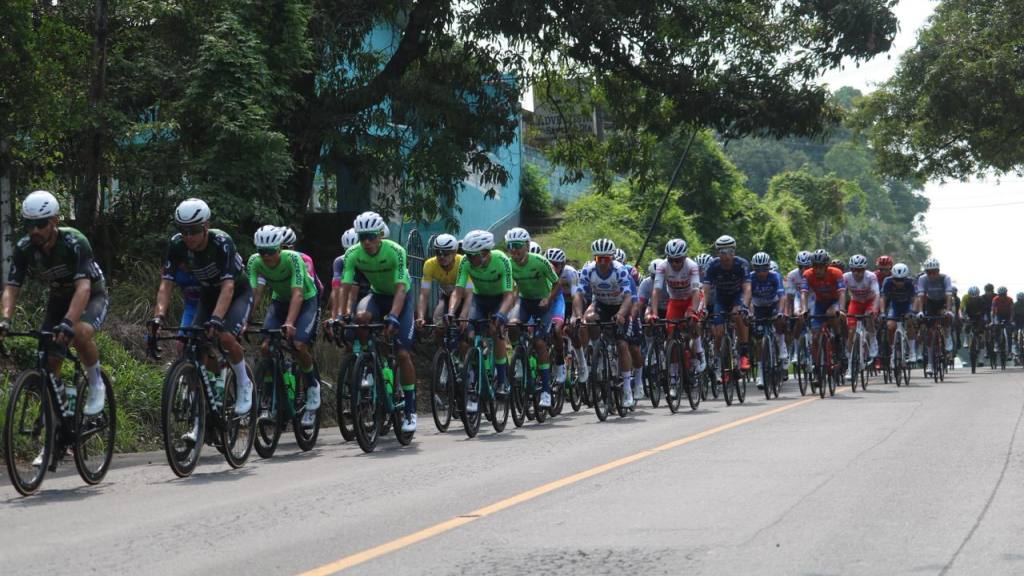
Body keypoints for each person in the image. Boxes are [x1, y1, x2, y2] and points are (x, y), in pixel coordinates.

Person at [0, 190, 110, 418]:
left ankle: (96, 382)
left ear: (54, 221)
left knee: (79, 333)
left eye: (40, 224)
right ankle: (63, 417)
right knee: (50, 359)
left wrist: (68, 322)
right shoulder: (24, 248)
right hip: (60, 298)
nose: (34, 231)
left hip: (91, 295)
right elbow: (12, 288)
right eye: (29, 225)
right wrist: (5, 320)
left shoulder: (74, 241)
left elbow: (84, 288)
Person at [150, 198, 254, 417]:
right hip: (207, 294)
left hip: (237, 293)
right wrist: (158, 317)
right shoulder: (177, 244)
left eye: (193, 230)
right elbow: (166, 284)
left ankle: (244, 383)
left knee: (224, 337)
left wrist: (216, 319)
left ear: (206, 226)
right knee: (189, 343)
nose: (188, 236)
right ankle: (214, 386)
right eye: (183, 230)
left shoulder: (222, 241)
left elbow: (228, 286)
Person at [338, 211, 418, 433]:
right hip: (377, 295)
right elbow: (346, 287)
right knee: (360, 318)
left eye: (371, 236)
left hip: (401, 296)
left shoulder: (396, 251)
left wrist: (393, 315)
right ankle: (368, 364)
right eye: (362, 237)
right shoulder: (353, 253)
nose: (367, 242)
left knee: (402, 353)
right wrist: (343, 313)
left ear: (381, 234)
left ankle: (410, 409)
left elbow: (401, 287)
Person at [247, 226, 321, 427]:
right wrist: (245, 320)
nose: (267, 256)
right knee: (265, 347)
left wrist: (289, 322)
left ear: (279, 248)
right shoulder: (255, 261)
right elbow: (255, 294)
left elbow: (297, 293)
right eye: (262, 252)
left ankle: (313, 387)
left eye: (271, 251)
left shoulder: (294, 258)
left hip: (306, 300)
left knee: (298, 345)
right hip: (279, 301)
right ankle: (270, 399)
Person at [447, 230, 516, 411]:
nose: (469, 258)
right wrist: (451, 311)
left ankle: (502, 380)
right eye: (467, 255)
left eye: (473, 255)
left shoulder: (502, 260)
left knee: (495, 331)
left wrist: (501, 315)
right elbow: (458, 290)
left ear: (485, 253)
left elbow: (509, 295)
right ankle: (472, 380)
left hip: (500, 300)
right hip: (480, 300)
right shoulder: (465, 262)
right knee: (467, 334)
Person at [504, 227, 562, 408]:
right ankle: (519, 359)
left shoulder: (541, 262)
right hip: (525, 302)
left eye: (518, 246)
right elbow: (511, 288)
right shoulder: (508, 264)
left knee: (539, 342)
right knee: (513, 326)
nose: (514, 250)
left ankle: (545, 390)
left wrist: (548, 298)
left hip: (543, 304)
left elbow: (557, 283)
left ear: (527, 246)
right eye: (510, 246)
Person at [575, 238, 635, 406]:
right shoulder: (588, 271)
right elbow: (579, 295)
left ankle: (627, 390)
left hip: (620, 306)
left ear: (612, 258)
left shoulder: (620, 270)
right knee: (589, 320)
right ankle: (598, 352)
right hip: (601, 304)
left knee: (622, 345)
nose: (602, 262)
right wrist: (579, 315)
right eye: (598, 259)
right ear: (594, 259)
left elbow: (629, 296)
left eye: (606, 259)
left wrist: (622, 314)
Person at [649, 239, 705, 389]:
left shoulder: (692, 266)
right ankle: (673, 375)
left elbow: (695, 291)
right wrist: (654, 313)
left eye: (678, 260)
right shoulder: (662, 267)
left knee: (693, 321)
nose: (674, 264)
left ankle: (699, 352)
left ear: (684, 258)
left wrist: (692, 311)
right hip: (674, 301)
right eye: (671, 260)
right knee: (670, 336)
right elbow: (656, 291)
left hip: (690, 299)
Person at [702, 235, 752, 377]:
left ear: (734, 251)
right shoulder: (712, 266)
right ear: (717, 253)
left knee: (738, 315)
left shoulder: (741, 264)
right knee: (718, 333)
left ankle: (744, 352)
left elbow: (747, 288)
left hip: (737, 296)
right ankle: (718, 359)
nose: (725, 255)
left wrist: (745, 306)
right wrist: (704, 307)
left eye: (729, 251)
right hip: (721, 299)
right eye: (721, 251)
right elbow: (705, 290)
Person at [416, 234, 470, 345]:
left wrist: (464, 315)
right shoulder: (430, 265)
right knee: (438, 325)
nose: (441, 257)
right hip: (446, 296)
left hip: (466, 298)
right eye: (438, 253)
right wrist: (420, 316)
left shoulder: (463, 263)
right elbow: (424, 294)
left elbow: (470, 294)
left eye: (446, 253)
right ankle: (442, 356)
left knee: (464, 333)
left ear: (455, 252)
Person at [800, 249, 846, 371]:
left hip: (834, 301)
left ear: (826, 266)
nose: (818, 270)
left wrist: (841, 310)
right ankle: (817, 365)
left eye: (821, 267)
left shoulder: (836, 273)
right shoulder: (807, 274)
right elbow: (803, 293)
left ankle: (838, 339)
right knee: (815, 336)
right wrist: (804, 309)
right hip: (819, 303)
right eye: (815, 266)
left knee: (831, 313)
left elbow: (842, 293)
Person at [745, 251, 785, 388]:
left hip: (773, 304)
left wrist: (780, 312)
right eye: (758, 269)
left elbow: (782, 297)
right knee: (759, 341)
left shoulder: (775, 276)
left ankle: (781, 349)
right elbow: (748, 297)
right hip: (758, 307)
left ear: (768, 267)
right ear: (753, 268)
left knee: (780, 321)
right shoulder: (750, 278)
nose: (761, 272)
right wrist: (749, 312)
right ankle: (761, 374)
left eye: (764, 269)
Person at [843, 254, 880, 375]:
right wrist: (842, 310)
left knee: (869, 318)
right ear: (851, 269)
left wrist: (874, 310)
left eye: (860, 270)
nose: (857, 273)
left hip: (870, 301)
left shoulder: (871, 276)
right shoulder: (846, 277)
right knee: (851, 331)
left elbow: (877, 295)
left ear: (864, 269)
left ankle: (873, 340)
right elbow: (841, 294)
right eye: (854, 270)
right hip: (856, 302)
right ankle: (849, 362)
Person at [914, 258, 954, 368]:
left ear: (938, 271)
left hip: (943, 302)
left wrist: (949, 310)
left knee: (946, 317)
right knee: (930, 333)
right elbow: (921, 296)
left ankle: (947, 337)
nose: (931, 275)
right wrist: (921, 311)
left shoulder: (945, 278)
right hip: (930, 302)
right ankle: (930, 363)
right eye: (929, 272)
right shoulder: (922, 279)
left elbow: (949, 295)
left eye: (934, 272)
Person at [545, 247, 576, 383]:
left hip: (566, 303)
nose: (552, 267)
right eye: (549, 263)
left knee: (559, 330)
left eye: (556, 264)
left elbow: (577, 297)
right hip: (546, 303)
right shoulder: (542, 270)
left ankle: (561, 363)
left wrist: (575, 316)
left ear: (563, 265)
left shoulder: (571, 273)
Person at [329, 228, 370, 323]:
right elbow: (336, 290)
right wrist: (335, 318)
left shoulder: (370, 258)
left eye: (353, 250)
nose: (350, 255)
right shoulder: (339, 261)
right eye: (347, 251)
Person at [880, 263, 919, 361]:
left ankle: (912, 351)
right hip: (894, 306)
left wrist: (913, 312)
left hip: (907, 306)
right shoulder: (887, 281)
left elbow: (915, 299)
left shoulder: (911, 282)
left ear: (906, 278)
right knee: (890, 326)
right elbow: (883, 298)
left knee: (910, 322)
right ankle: (893, 350)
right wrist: (882, 312)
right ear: (892, 277)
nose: (899, 283)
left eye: (902, 280)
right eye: (896, 280)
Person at [785, 250, 812, 367]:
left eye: (807, 267)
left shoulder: (814, 274)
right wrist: (789, 314)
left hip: (812, 298)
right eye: (801, 266)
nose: (804, 270)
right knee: (799, 318)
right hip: (798, 298)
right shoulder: (792, 275)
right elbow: (790, 297)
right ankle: (795, 351)